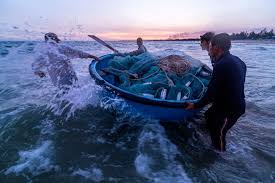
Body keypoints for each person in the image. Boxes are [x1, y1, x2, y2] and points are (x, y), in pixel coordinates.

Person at [186, 33, 247, 152]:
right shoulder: (238, 60)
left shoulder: (221, 65)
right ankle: (208, 139)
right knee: (209, 115)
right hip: (234, 104)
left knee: (219, 135)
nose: (209, 50)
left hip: (230, 109)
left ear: (216, 48)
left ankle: (219, 159)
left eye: (210, 47)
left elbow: (211, 94)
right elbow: (239, 80)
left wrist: (195, 105)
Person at [32, 32, 99, 89]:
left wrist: (39, 73)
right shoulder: (61, 47)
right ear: (54, 39)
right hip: (69, 76)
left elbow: (34, 66)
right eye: (56, 37)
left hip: (57, 81)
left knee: (63, 94)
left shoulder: (43, 52)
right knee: (75, 90)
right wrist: (93, 56)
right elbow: (79, 53)